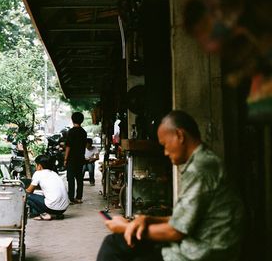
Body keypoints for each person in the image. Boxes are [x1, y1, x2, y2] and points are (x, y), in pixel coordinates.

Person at [97, 110, 244, 261]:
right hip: (191, 243)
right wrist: (147, 219)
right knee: (115, 243)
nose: (165, 152)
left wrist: (125, 227)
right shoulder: (201, 162)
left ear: (180, 136)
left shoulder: (200, 168)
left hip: (200, 252)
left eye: (165, 145)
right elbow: (182, 220)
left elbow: (176, 232)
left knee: (119, 248)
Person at [26, 155, 69, 220]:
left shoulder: (38, 173)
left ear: (39, 166)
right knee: (40, 195)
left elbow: (29, 191)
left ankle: (43, 214)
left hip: (51, 208)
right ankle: (57, 214)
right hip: (63, 209)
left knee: (26, 196)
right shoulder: (54, 173)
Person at [64, 112, 87, 204]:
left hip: (72, 158)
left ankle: (71, 198)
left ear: (72, 120)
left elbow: (68, 146)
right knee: (79, 178)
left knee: (70, 178)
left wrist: (65, 159)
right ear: (82, 120)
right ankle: (79, 197)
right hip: (80, 157)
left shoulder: (71, 131)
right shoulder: (83, 132)